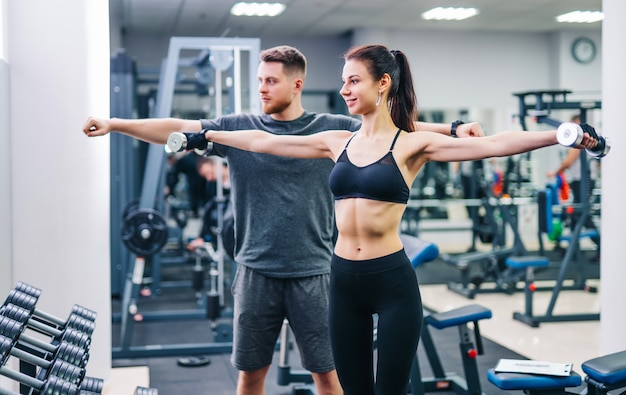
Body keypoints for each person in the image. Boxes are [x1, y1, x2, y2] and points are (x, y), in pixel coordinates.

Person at [194, 44, 600, 394]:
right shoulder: (338, 141)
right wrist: (209, 136)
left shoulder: (411, 144)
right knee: (353, 389)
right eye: (344, 81)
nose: (344, 89)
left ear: (382, 83)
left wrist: (560, 134)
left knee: (389, 390)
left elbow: (493, 146)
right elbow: (264, 140)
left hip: (390, 282)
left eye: (354, 81)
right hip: (342, 281)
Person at [83, 45, 485, 395]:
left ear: (296, 85)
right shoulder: (237, 128)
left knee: (329, 380)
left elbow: (394, 132)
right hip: (256, 271)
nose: (261, 88)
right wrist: (117, 125)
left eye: (271, 81)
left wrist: (452, 129)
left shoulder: (332, 128)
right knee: (250, 378)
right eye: (260, 80)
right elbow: (177, 127)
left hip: (315, 272)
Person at [546, 114, 601, 251]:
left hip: (583, 180)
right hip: (579, 181)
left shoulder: (581, 139)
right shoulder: (582, 140)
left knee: (582, 213)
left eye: (575, 124)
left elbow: (568, 162)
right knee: (575, 213)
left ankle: (601, 246)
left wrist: (554, 173)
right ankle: (573, 248)